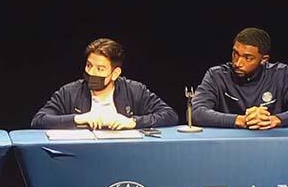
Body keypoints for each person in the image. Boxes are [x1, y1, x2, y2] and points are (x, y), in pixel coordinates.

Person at [31, 38, 178, 130]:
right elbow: (39, 120)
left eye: (100, 69)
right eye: (89, 66)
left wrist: (133, 122)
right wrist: (78, 119)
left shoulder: (135, 90)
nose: (92, 73)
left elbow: (170, 115)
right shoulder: (69, 92)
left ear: (115, 73)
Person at [192, 27, 288, 129]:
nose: (238, 63)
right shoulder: (216, 75)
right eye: (235, 54)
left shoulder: (281, 74)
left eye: (248, 58)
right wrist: (240, 120)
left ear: (264, 60)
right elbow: (196, 111)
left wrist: (274, 120)